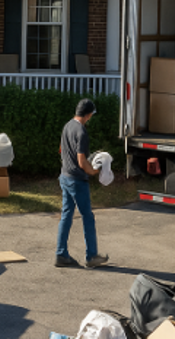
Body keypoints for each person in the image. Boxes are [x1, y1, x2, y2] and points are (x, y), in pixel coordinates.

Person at [55, 98, 109, 268]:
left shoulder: (67, 126)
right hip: (77, 180)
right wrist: (92, 171)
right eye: (91, 114)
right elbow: (81, 161)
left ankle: (61, 254)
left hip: (65, 176)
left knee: (66, 215)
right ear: (88, 114)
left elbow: (61, 150)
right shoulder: (82, 131)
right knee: (87, 217)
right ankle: (91, 256)